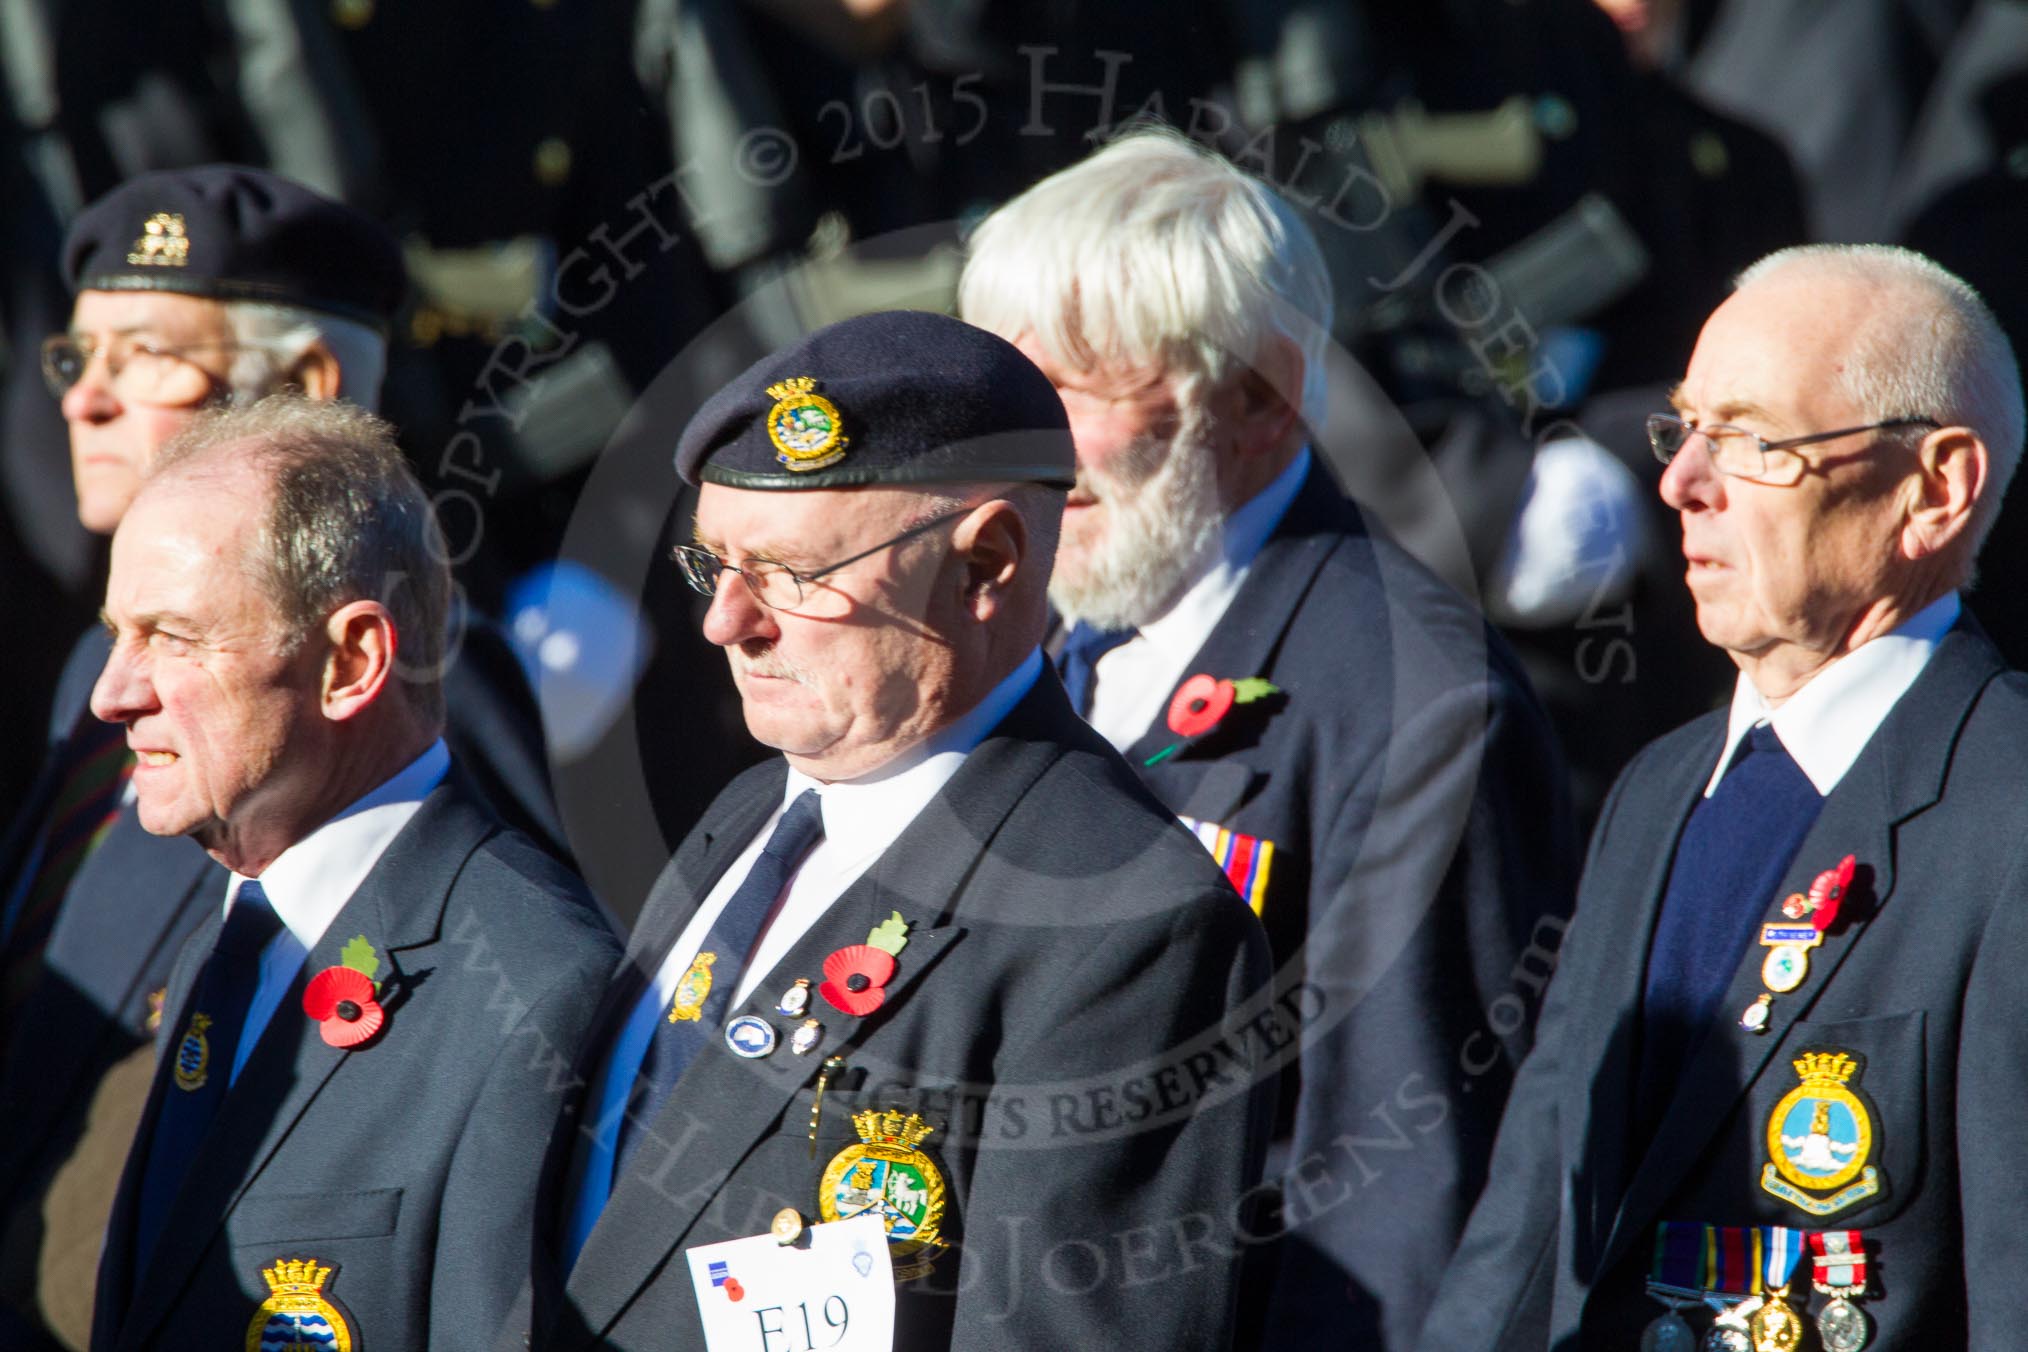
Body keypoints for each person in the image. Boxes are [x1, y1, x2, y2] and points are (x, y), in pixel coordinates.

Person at [511, 310, 1274, 1351]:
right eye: (714, 566)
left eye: (791, 574)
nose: (724, 622)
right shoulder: (752, 816)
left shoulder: (1125, 923)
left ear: (986, 564)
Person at [957, 129, 1579, 1351]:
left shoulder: (1418, 707)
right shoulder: (1044, 633)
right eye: (1009, 390)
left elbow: (1397, 1198)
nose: (1024, 449)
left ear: (1257, 399)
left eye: (1076, 392)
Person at [1418, 244, 2028, 1350]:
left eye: (1750, 440)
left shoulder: (2010, 810)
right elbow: (1527, 1230)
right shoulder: (1658, 789)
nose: (1679, 481)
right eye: (1681, 426)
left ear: (1935, 488)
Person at [0, 164, 563, 1349]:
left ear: (307, 383)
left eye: (142, 354)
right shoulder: (90, 674)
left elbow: (482, 1006)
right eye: (76, 358)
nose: (84, 401)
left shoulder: (421, 677)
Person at [87, 395, 618, 1352]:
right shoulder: (238, 937)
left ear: (352, 662)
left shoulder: (534, 993)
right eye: (117, 634)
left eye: (172, 636)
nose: (112, 693)